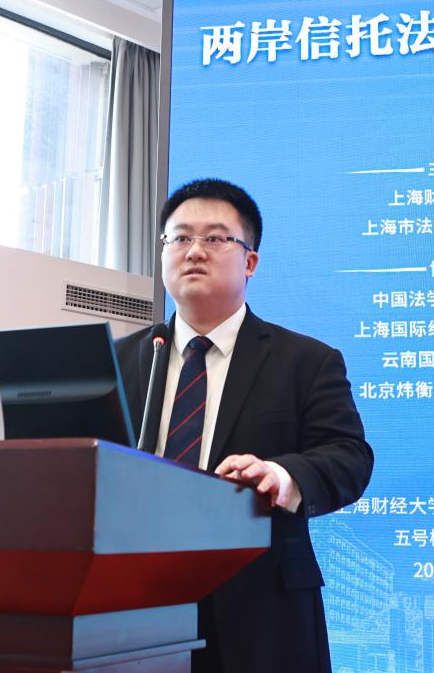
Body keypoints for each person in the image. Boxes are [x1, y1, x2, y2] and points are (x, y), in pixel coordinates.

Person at [114, 178, 373, 673]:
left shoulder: (305, 360)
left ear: (250, 261)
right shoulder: (122, 359)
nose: (194, 251)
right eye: (180, 237)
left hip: (261, 610)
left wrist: (284, 476)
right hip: (131, 604)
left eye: (214, 238)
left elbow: (349, 457)